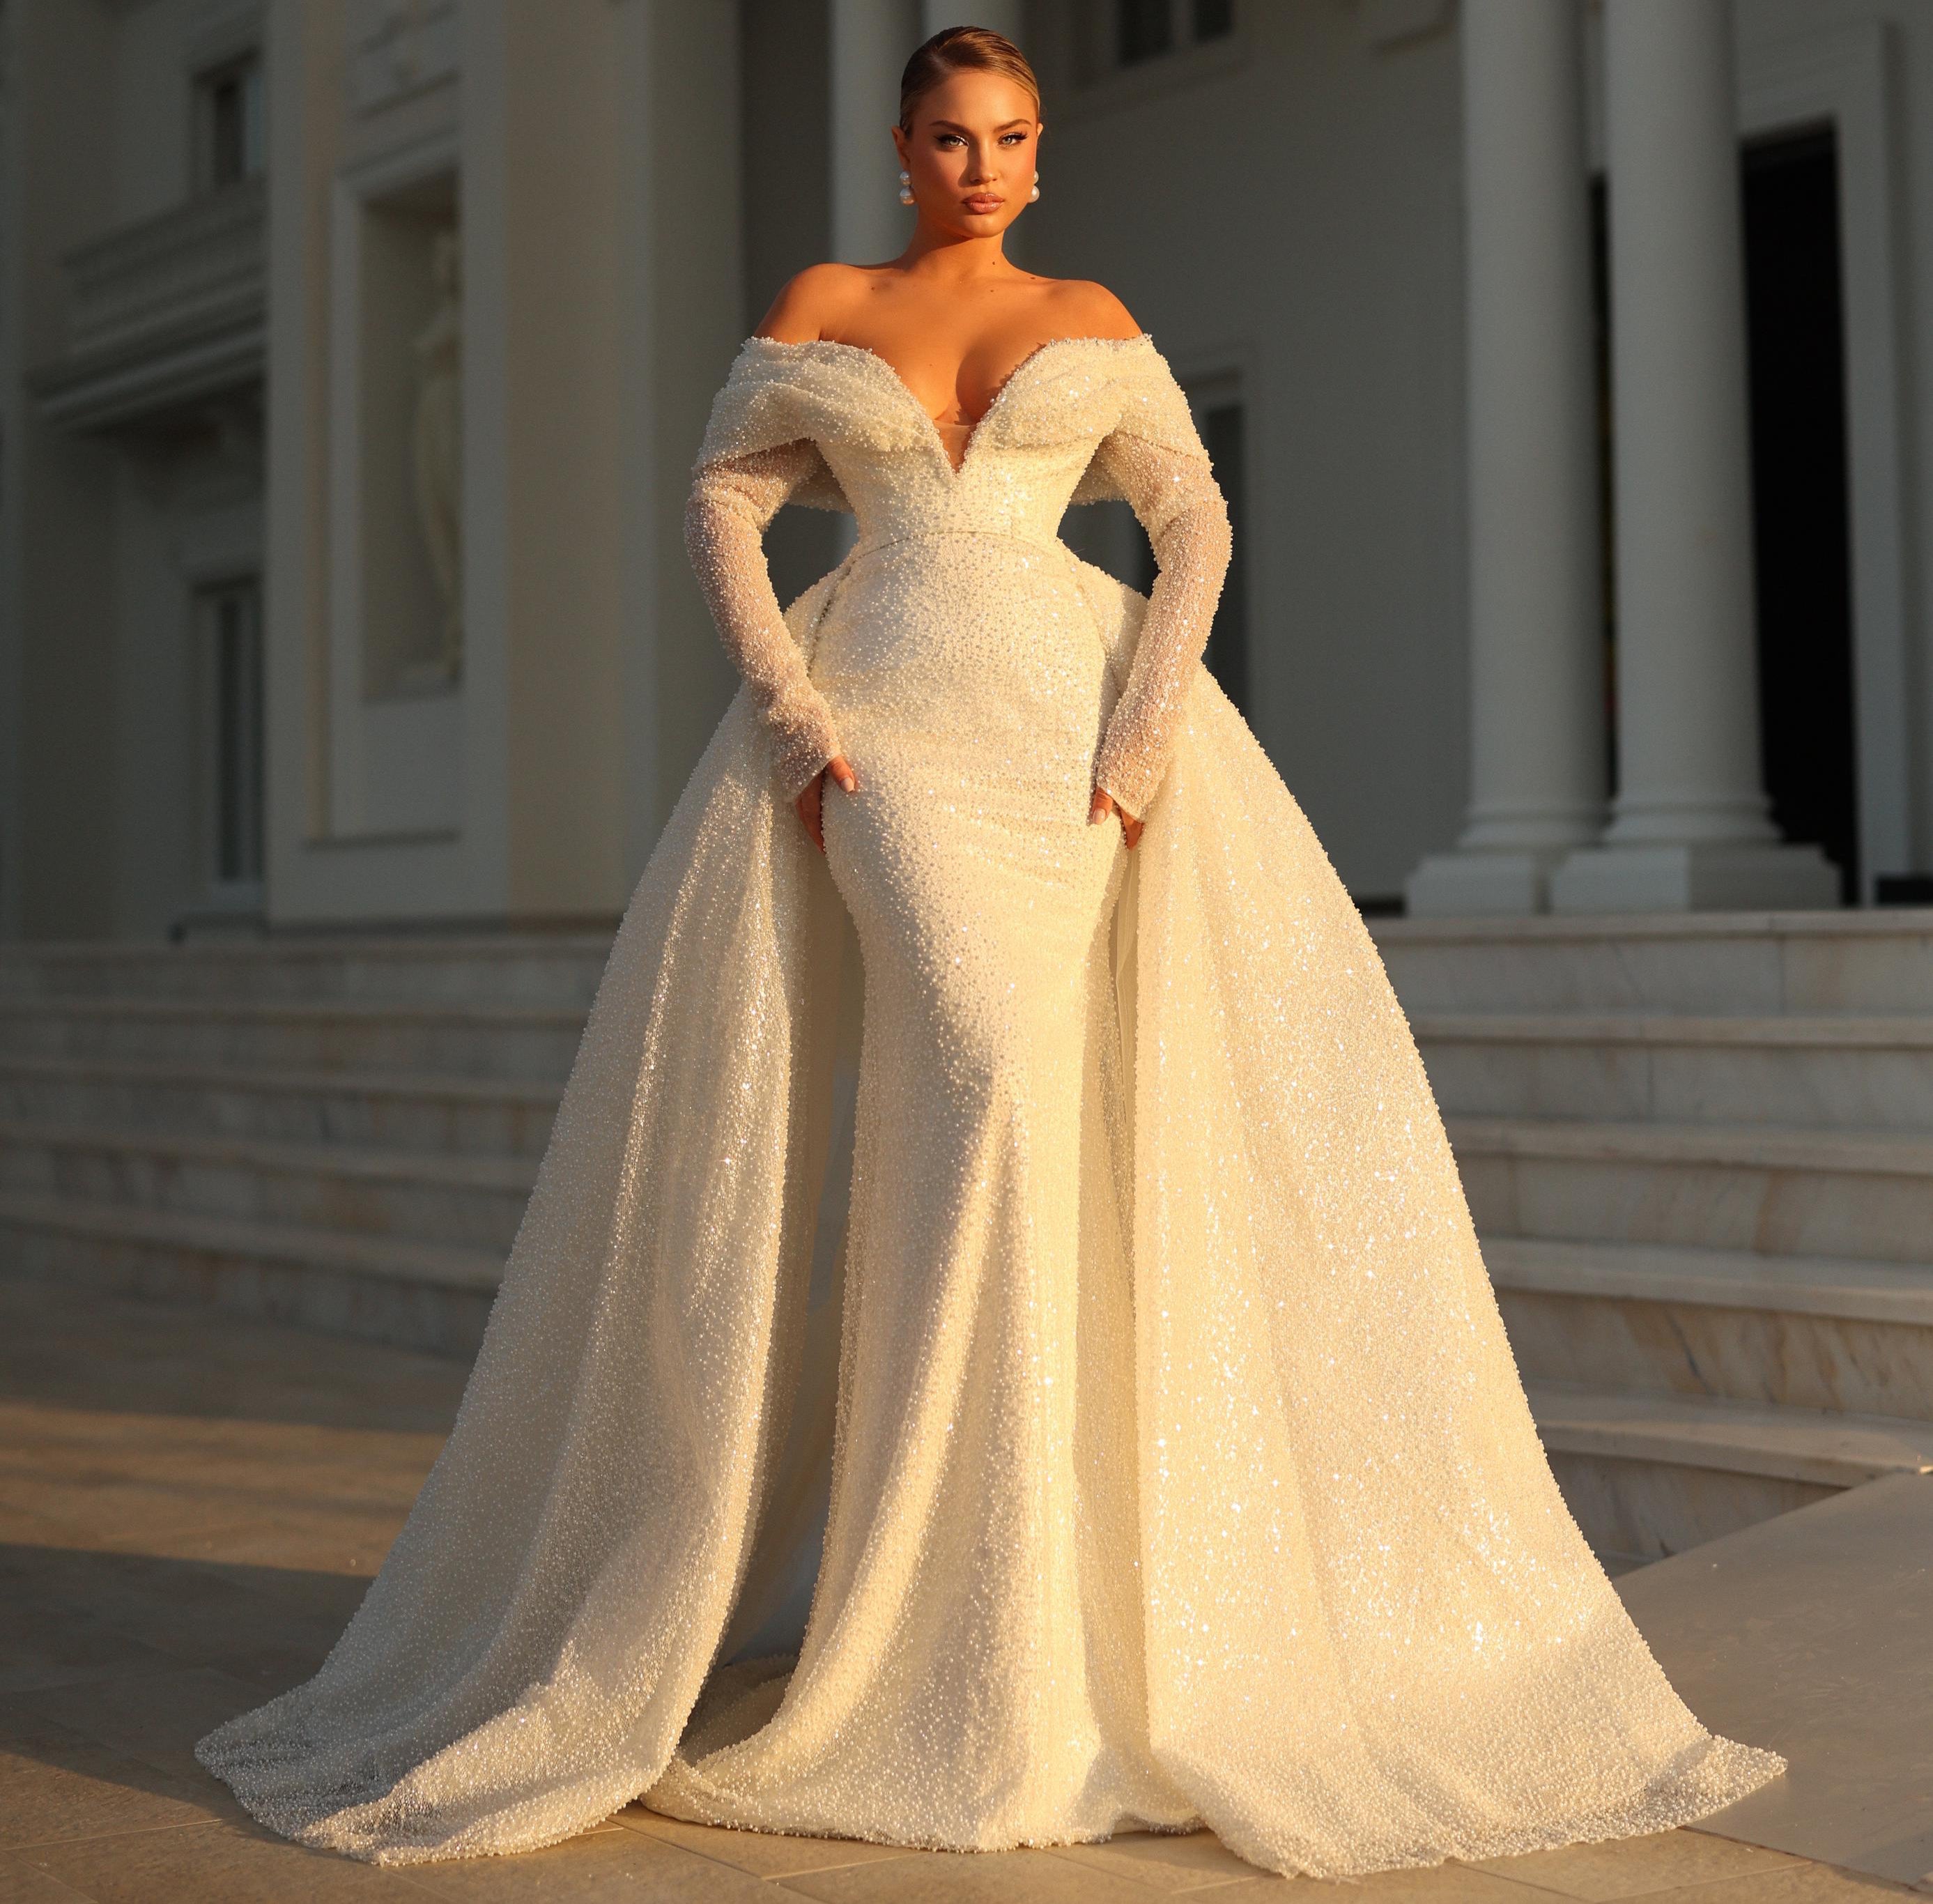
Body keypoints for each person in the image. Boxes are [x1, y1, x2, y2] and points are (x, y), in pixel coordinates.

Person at [194, 24, 1786, 1880]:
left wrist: (1144, 734)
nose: (985, 165)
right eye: (954, 136)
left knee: (1028, 1105)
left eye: (1012, 138)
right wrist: (788, 713)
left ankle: (1033, 1620)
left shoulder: (1088, 309)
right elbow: (725, 498)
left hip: (1066, 740)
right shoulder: (828, 301)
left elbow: (1191, 518)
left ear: (1037, 155)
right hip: (880, 740)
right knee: (978, 1072)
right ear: (902, 148)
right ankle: (937, 1617)